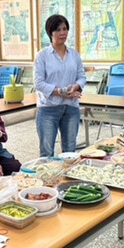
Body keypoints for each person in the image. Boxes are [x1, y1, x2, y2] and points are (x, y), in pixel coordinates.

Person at [34, 14, 86, 157]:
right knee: (47, 151)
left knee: (70, 151)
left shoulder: (74, 55)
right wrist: (62, 92)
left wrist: (76, 87)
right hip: (48, 109)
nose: (62, 33)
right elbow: (39, 83)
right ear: (50, 33)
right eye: (58, 30)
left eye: (65, 29)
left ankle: (68, 179)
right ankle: (47, 179)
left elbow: (82, 76)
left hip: (71, 108)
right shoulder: (42, 56)